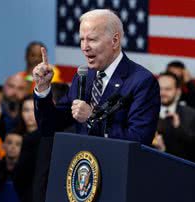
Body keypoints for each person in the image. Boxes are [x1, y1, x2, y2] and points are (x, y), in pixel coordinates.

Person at [33, 9, 160, 144]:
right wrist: (43, 89)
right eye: (82, 39)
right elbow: (49, 127)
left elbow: (139, 140)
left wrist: (91, 118)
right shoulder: (83, 77)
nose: (85, 47)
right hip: (81, 163)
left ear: (115, 40)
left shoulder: (141, 81)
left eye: (92, 39)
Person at [152, 72, 195, 162]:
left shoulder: (191, 115)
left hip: (180, 168)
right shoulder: (144, 111)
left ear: (178, 91)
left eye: (168, 89)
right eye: (160, 88)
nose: (162, 93)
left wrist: (178, 128)